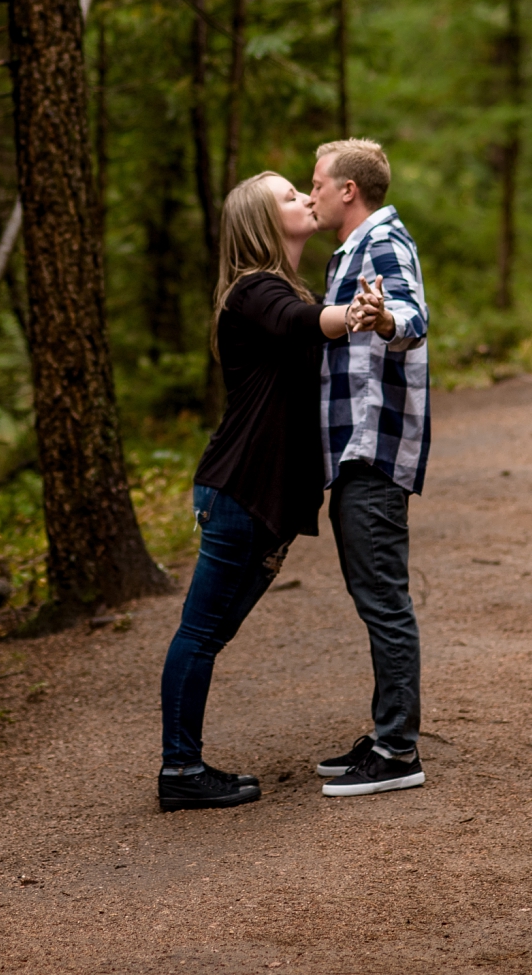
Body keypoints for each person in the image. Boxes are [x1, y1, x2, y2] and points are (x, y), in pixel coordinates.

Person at [158, 170, 380, 812]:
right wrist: (355, 315)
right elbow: (303, 323)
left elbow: (306, 318)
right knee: (198, 634)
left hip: (260, 500)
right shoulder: (256, 292)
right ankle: (179, 769)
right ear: (262, 223)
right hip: (240, 492)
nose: (305, 198)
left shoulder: (280, 287)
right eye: (289, 196)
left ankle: (182, 764)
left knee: (207, 636)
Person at [308, 138, 433, 798]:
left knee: (383, 598)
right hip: (355, 452)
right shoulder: (353, 251)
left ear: (348, 189)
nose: (312, 193)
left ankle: (396, 749)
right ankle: (388, 732)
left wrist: (387, 319)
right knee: (372, 593)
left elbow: (413, 314)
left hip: (374, 454)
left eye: (319, 183)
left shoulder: (384, 240)